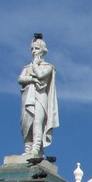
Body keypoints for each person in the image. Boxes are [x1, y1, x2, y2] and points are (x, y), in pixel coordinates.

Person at [18, 32, 59, 160]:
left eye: (36, 48)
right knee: (26, 122)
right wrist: (32, 79)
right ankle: (27, 148)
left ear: (42, 50)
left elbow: (41, 76)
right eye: (32, 49)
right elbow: (20, 79)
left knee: (37, 121)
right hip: (28, 96)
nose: (33, 51)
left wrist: (35, 65)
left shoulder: (48, 67)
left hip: (40, 96)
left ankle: (36, 148)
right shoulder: (27, 67)